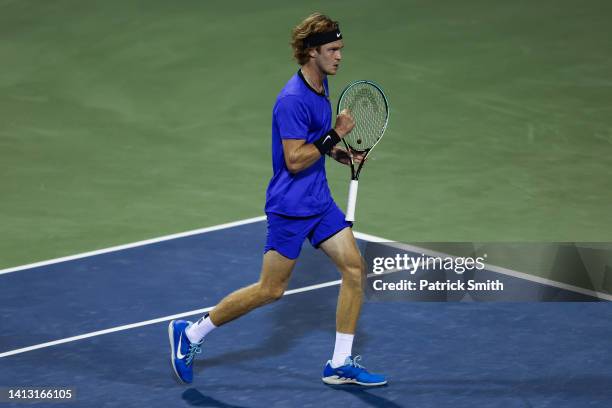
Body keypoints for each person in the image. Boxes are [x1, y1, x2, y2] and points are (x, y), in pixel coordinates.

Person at [169, 12, 386, 387]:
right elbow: (294, 159)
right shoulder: (292, 99)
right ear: (313, 52)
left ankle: (339, 363)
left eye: (340, 49)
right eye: (333, 50)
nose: (339, 57)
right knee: (271, 290)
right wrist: (335, 134)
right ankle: (190, 335)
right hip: (290, 208)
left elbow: (313, 143)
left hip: (319, 202)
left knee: (354, 270)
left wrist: (340, 154)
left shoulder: (321, 87)